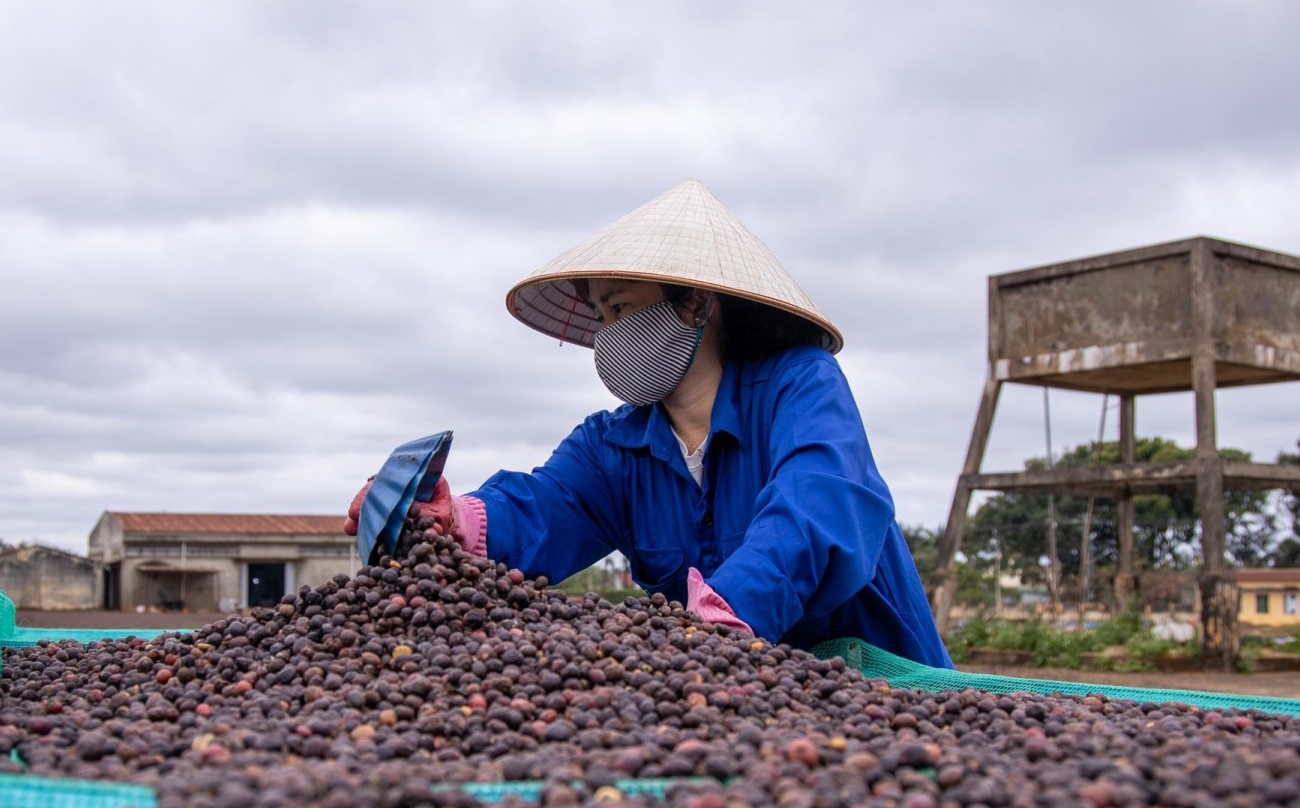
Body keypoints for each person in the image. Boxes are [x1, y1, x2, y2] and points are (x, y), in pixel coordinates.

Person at [346, 179, 953, 669]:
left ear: (695, 305)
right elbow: (541, 509)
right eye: (600, 313)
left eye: (622, 307)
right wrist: (448, 522)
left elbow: (816, 507)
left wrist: (729, 609)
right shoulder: (611, 448)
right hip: (736, 715)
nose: (608, 333)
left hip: (880, 686)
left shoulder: (800, 386)